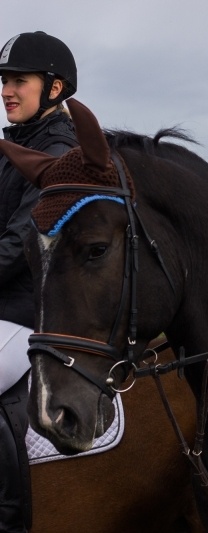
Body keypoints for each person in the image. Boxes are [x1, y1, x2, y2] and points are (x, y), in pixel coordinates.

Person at [0, 31, 78, 533]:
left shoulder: (60, 154)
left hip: (28, 312)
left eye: (18, 81)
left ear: (53, 88)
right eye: (4, 81)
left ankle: (9, 519)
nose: (7, 90)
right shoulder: (11, 145)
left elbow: (20, 245)